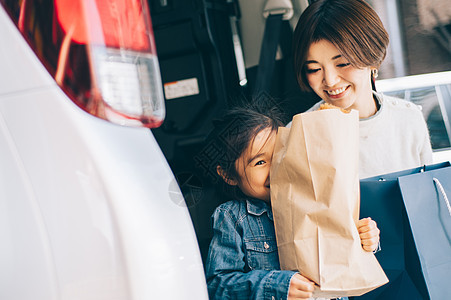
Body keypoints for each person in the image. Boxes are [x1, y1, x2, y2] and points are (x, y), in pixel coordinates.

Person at [203, 100, 381, 299]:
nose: (276, 168)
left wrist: (366, 239)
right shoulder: (233, 217)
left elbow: (344, 252)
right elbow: (217, 286)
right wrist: (277, 286)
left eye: (281, 154)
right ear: (229, 175)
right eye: (260, 162)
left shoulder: (319, 196)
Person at [291, 0, 433, 179]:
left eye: (343, 63)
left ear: (373, 58)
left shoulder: (408, 118)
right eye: (314, 69)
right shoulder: (299, 134)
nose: (330, 80)